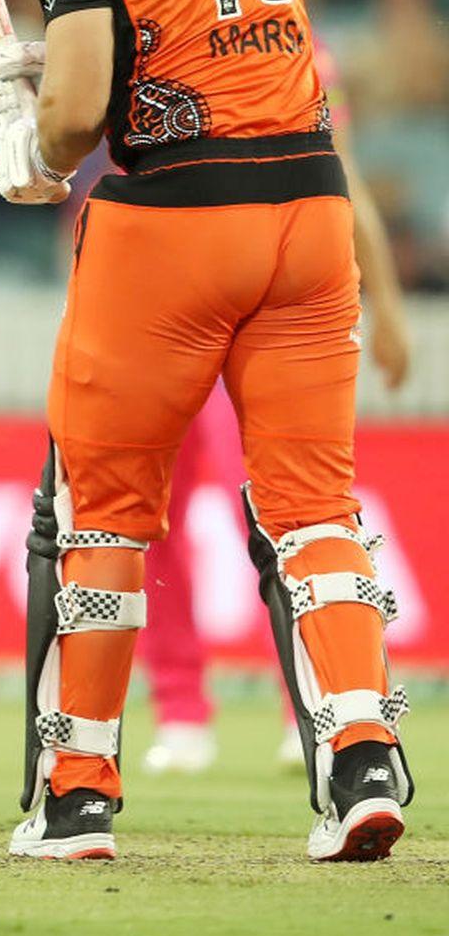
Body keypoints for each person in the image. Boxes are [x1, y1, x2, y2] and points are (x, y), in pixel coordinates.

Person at [0, 0, 414, 862]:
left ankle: (78, 795)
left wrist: (31, 139)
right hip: (310, 213)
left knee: (99, 513)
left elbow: (77, 109)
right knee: (314, 508)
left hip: (175, 222)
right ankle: (362, 759)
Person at [142, 40, 411, 775]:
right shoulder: (158, 37)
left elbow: (340, 175)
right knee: (150, 510)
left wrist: (384, 304)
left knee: (267, 504)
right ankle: (181, 709)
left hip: (262, 315)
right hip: (164, 306)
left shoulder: (305, 56)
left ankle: (310, 702)